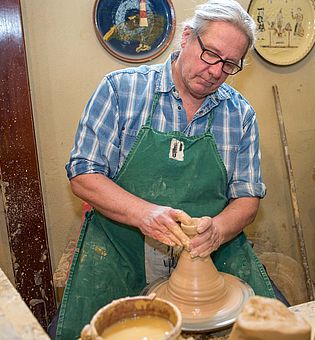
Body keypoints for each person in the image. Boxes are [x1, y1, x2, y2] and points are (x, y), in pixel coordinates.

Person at [55, 1, 285, 339]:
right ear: (187, 38)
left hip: (209, 252)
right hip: (121, 247)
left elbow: (248, 198)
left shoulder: (240, 115)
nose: (216, 72)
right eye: (211, 55)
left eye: (229, 64)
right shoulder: (121, 90)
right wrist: (145, 214)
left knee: (275, 323)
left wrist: (218, 230)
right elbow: (83, 175)